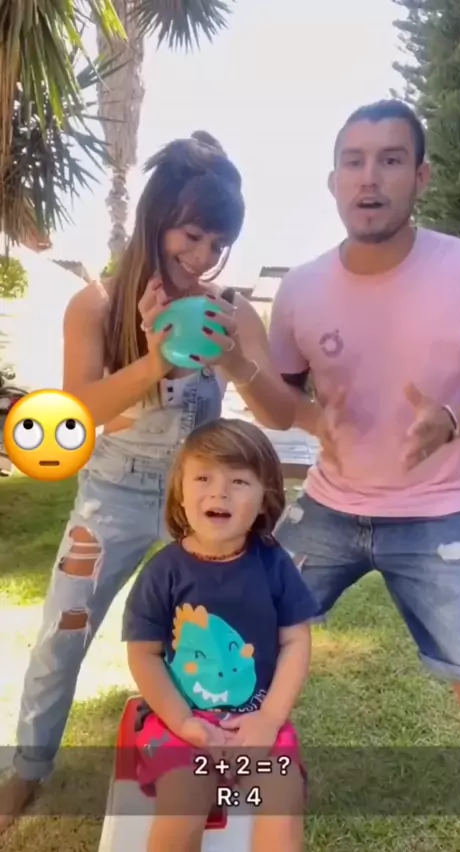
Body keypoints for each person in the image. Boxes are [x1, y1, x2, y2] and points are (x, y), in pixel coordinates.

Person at [0, 131, 296, 833]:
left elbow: (280, 412)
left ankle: (227, 754)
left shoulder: (229, 311)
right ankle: (26, 771)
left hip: (203, 503)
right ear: (156, 220)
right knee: (62, 633)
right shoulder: (97, 305)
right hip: (112, 497)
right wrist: (155, 359)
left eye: (217, 244)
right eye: (191, 237)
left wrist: (234, 360)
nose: (203, 257)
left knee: (228, 634)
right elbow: (76, 416)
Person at [268, 100, 460, 736]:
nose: (370, 178)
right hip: (329, 507)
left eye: (390, 160)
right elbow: (281, 402)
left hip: (448, 509)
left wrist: (454, 421)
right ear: (333, 181)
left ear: (421, 176)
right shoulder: (300, 289)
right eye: (353, 162)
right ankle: (228, 786)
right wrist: (301, 411)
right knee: (232, 639)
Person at [123, 418, 316, 852]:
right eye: (203, 478)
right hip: (180, 721)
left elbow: (296, 641)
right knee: (186, 800)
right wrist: (184, 722)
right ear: (180, 492)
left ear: (265, 498)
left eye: (239, 481)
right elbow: (144, 655)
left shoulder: (274, 564)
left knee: (281, 804)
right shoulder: (162, 573)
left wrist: (269, 719)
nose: (219, 492)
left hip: (256, 722)